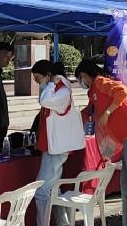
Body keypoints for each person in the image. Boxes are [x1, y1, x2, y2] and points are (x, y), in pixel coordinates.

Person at [75, 59, 127, 226]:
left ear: (84, 75)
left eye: (80, 79)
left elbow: (122, 91)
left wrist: (108, 112)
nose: (81, 83)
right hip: (126, 138)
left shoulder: (100, 82)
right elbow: (88, 112)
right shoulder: (93, 93)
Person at [33, 60, 86, 226]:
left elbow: (44, 101)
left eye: (38, 78)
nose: (37, 83)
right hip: (53, 147)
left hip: (56, 149)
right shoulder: (58, 90)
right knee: (53, 190)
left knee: (41, 191)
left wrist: (49, 84)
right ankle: (63, 223)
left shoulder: (61, 91)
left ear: (48, 76)